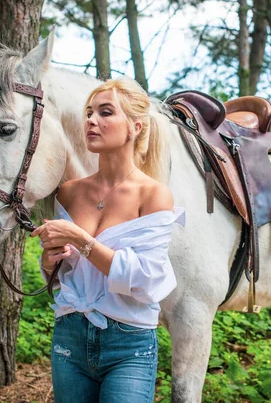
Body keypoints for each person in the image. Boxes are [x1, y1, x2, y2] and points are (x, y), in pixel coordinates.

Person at [30, 76, 184, 403]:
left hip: (128, 342)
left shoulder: (154, 195)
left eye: (105, 112)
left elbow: (145, 280)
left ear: (135, 128)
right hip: (69, 336)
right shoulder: (69, 192)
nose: (91, 121)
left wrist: (82, 240)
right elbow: (63, 277)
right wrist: (48, 262)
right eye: (88, 113)